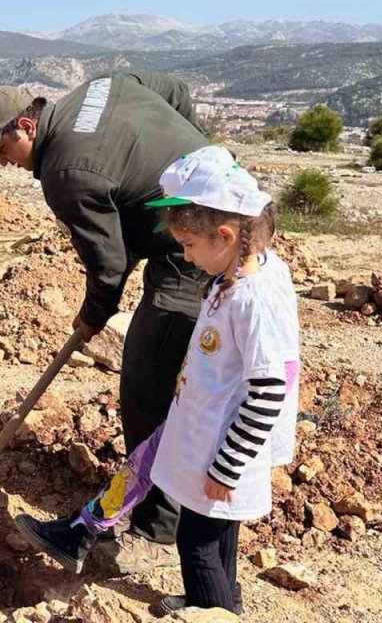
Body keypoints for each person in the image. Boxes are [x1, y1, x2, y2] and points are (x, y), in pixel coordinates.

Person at [21, 151, 300, 617]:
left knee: (198, 545)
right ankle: (213, 603)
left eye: (189, 245)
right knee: (217, 537)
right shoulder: (237, 273)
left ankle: (211, 611)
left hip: (219, 450)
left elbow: (269, 388)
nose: (185, 256)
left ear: (227, 236)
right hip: (200, 430)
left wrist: (226, 468)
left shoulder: (254, 298)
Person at [0, 74, 210, 574]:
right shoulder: (102, 86)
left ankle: (156, 531)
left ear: (27, 125)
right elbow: (174, 90)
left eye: (1, 146)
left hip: (193, 254)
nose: (1, 160)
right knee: (161, 379)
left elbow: (108, 263)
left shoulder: (65, 172)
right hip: (212, 220)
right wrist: (198, 163)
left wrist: (92, 316)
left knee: (147, 390)